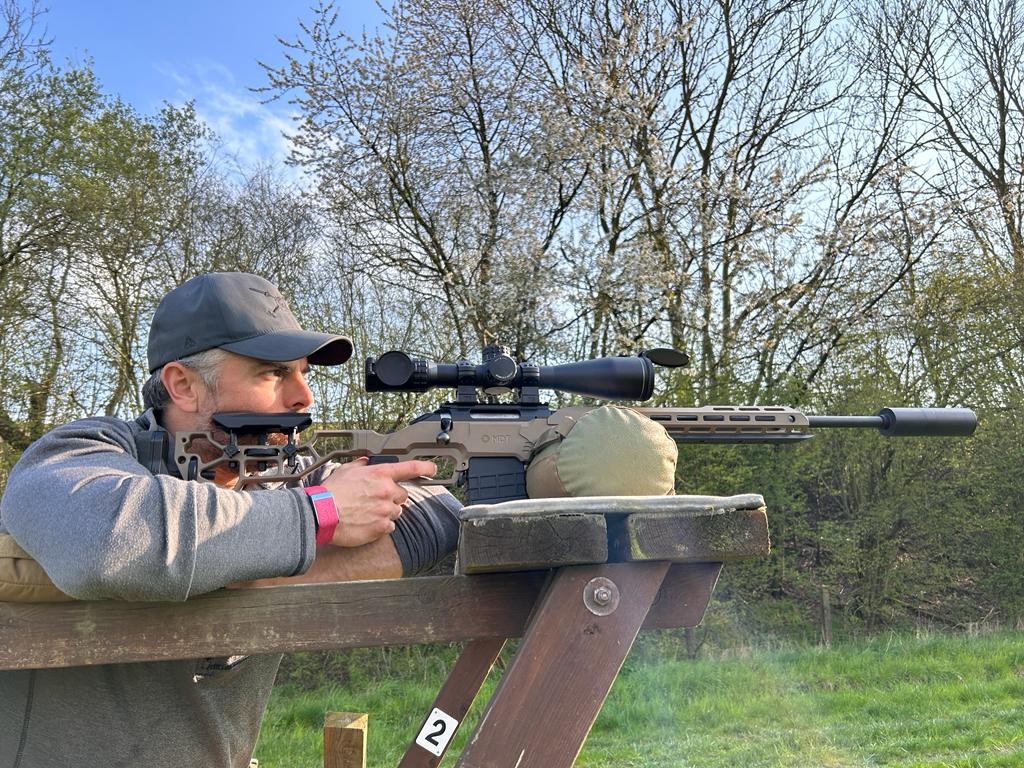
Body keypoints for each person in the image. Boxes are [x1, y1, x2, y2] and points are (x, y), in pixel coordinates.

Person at [0, 272, 462, 768]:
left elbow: (434, 514)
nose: (303, 397)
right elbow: (110, 545)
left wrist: (238, 566)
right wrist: (319, 516)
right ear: (184, 386)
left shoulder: (283, 476)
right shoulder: (80, 450)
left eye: (304, 372)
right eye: (273, 374)